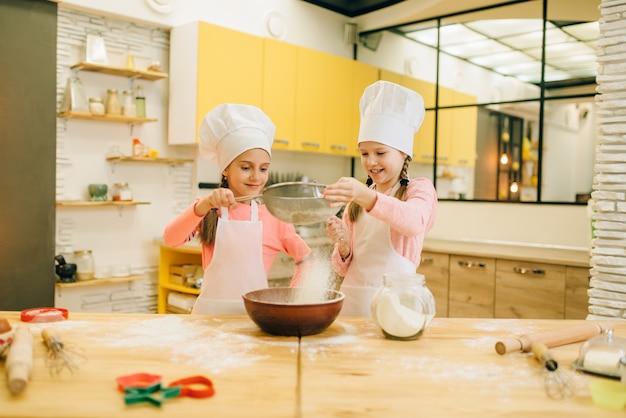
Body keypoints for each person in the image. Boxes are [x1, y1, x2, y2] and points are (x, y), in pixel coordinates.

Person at [163, 103, 311, 315]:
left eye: (263, 168)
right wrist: (204, 205)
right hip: (208, 320)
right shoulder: (208, 210)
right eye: (245, 167)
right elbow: (171, 238)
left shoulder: (274, 217)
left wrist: (291, 299)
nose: (256, 177)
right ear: (225, 168)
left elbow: (308, 260)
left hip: (254, 319)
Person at [323, 80, 438, 317]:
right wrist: (343, 243)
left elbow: (413, 222)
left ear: (404, 152)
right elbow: (344, 267)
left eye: (380, 153)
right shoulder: (357, 201)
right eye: (364, 153)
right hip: (354, 305)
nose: (371, 162)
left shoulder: (418, 190)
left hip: (398, 309)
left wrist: (365, 195)